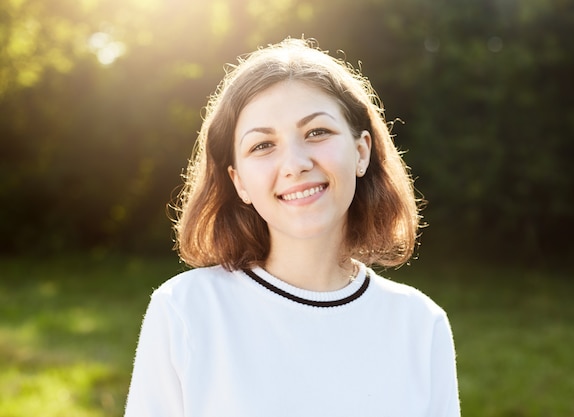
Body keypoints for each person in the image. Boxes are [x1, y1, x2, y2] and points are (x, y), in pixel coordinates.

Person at [124, 37, 460, 417]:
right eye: (263, 145)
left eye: (317, 132)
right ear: (240, 182)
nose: (295, 163)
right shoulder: (185, 311)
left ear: (361, 152)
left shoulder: (420, 325)